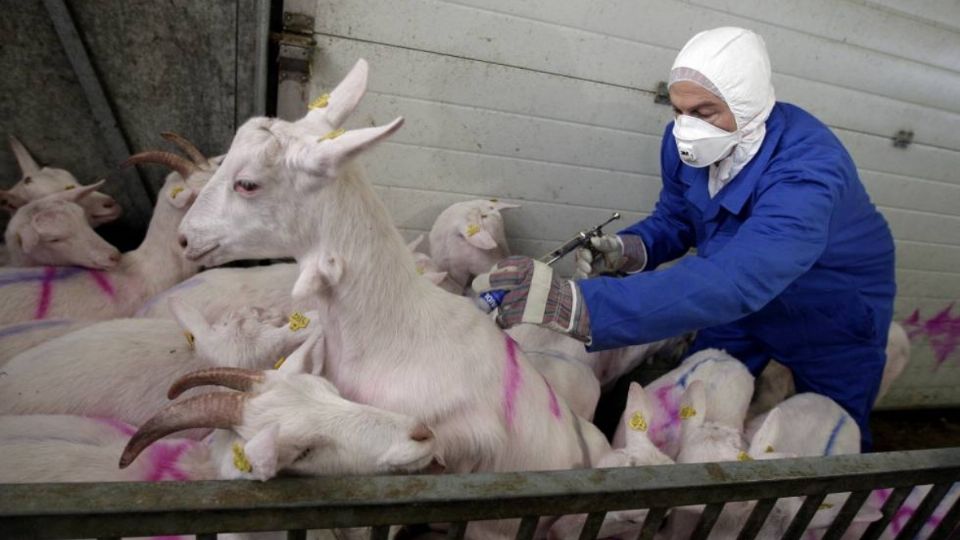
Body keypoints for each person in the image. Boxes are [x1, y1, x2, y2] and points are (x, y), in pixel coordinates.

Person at [471, 27, 896, 450]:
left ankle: (845, 514)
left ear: (746, 105)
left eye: (705, 112)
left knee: (829, 431)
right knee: (701, 392)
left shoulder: (809, 169)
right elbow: (677, 217)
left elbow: (740, 280)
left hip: (827, 307)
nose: (686, 127)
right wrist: (630, 248)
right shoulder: (683, 144)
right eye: (678, 109)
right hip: (730, 298)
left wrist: (580, 307)